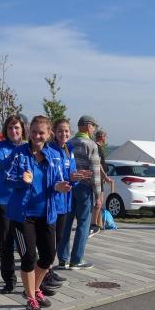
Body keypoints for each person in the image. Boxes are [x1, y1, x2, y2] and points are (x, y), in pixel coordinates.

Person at [5, 116, 72, 310]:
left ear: (49, 134)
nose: (36, 136)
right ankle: (31, 298)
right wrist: (21, 180)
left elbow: (58, 180)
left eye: (41, 132)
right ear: (29, 131)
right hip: (22, 216)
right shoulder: (19, 153)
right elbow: (6, 178)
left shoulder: (53, 155)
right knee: (28, 257)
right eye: (33, 131)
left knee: (48, 256)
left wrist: (60, 186)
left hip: (47, 214)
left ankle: (35, 289)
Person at [47, 118, 87, 287]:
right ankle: (45, 272)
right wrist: (63, 181)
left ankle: (49, 271)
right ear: (54, 132)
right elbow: (49, 176)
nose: (64, 133)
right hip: (52, 202)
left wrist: (76, 178)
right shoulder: (48, 150)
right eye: (60, 131)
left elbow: (71, 175)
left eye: (66, 131)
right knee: (49, 241)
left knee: (59, 238)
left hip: (65, 202)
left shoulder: (69, 150)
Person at [56, 115, 100, 270]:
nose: (94, 129)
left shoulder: (69, 143)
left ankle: (62, 259)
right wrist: (98, 194)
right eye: (93, 126)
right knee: (83, 224)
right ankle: (77, 259)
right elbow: (95, 171)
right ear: (88, 126)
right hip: (85, 188)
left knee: (66, 224)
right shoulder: (91, 144)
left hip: (68, 187)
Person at [0, 115, 27, 294]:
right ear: (6, 130)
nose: (14, 131)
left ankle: (31, 280)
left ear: (23, 130)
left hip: (21, 202)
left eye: (17, 128)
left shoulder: (28, 148)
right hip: (2, 202)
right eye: (11, 128)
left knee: (24, 244)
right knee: (5, 243)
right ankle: (9, 280)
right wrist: (15, 152)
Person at [90, 128, 111, 237]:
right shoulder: (96, 147)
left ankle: (98, 223)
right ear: (102, 137)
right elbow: (98, 163)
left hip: (99, 177)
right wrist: (104, 175)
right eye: (105, 137)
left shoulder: (99, 147)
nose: (106, 139)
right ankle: (93, 224)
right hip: (97, 177)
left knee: (100, 201)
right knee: (99, 201)